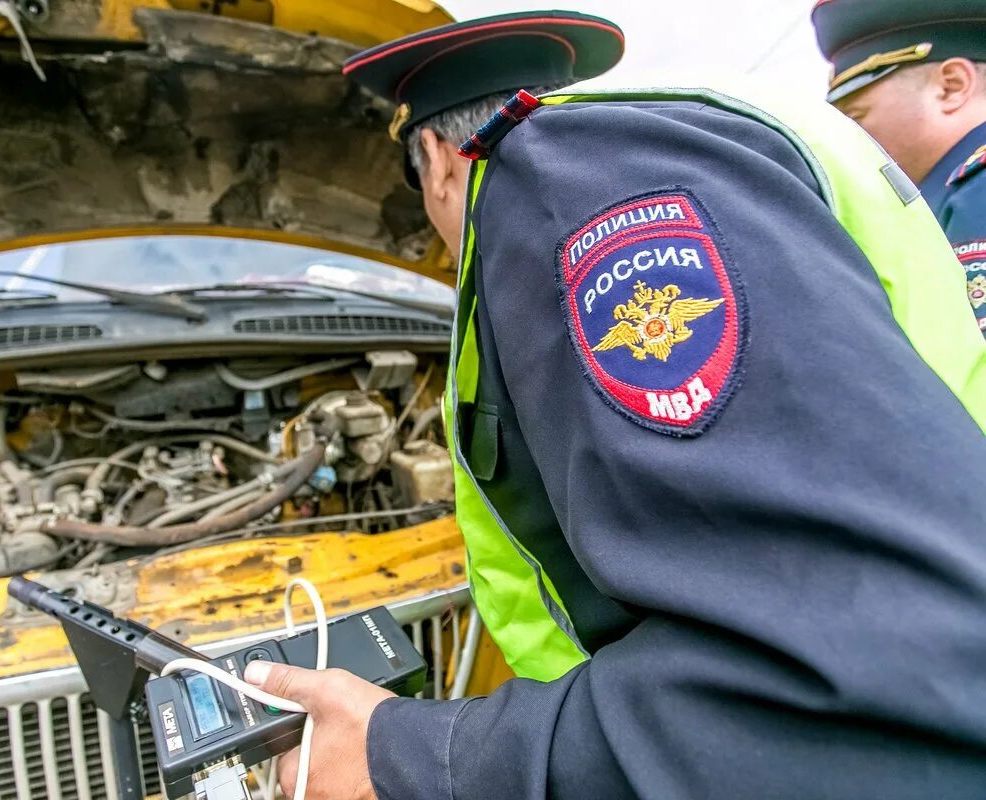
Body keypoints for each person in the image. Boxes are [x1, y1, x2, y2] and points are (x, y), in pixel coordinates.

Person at [239, 11, 986, 799]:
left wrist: (414, 759)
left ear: (436, 159)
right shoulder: (682, 145)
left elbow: (844, 684)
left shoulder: (573, 178)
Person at [813, 0, 986, 334]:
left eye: (856, 116)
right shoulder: (947, 192)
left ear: (951, 86)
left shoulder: (975, 192)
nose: (847, 135)